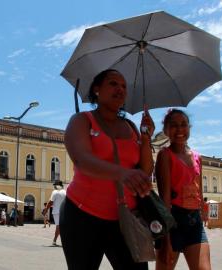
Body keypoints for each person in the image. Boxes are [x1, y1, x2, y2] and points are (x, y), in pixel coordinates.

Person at [61, 69, 154, 269]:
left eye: (124, 86)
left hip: (126, 219)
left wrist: (146, 138)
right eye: (113, 84)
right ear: (96, 89)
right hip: (82, 216)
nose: (120, 89)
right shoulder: (81, 120)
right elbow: (82, 160)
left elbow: (145, 171)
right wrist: (122, 173)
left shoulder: (131, 126)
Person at [155, 109, 211, 270]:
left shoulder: (197, 157)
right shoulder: (165, 155)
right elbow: (164, 197)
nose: (179, 129)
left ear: (189, 128)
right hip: (173, 221)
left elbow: (198, 190)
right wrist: (165, 238)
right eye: (173, 125)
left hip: (194, 223)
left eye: (184, 125)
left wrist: (202, 212)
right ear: (166, 130)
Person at [43, 181, 66, 245]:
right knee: (61, 226)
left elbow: (51, 202)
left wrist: (46, 209)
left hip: (57, 211)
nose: (54, 186)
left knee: (59, 226)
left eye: (55, 185)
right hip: (64, 211)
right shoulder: (65, 192)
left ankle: (55, 240)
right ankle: (56, 240)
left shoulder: (55, 192)